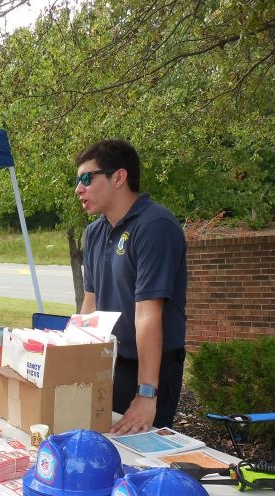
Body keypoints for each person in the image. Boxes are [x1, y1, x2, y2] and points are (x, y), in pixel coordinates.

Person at [76, 139, 187, 435]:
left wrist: (146, 394)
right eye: (78, 180)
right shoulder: (94, 233)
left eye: (87, 178)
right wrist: (75, 363)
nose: (78, 189)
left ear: (119, 177)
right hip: (111, 363)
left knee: (141, 456)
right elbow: (90, 303)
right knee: (103, 443)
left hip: (152, 367)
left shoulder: (155, 226)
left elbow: (148, 315)